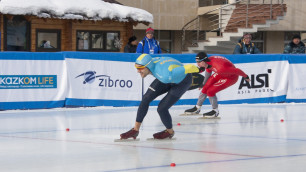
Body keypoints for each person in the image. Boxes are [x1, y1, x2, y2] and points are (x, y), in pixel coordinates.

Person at [119, 54, 199, 140]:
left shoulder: (164, 75)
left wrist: (199, 68)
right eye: (136, 68)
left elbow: (189, 67)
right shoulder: (153, 65)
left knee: (162, 108)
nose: (138, 71)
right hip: (167, 74)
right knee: (145, 99)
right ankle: (135, 130)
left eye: (140, 68)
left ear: (148, 66)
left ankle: (170, 132)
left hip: (182, 81)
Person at [185, 52, 251, 117]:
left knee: (210, 91)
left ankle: (215, 111)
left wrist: (246, 77)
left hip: (231, 78)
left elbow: (237, 71)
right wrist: (203, 84)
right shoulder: (208, 62)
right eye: (196, 62)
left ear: (204, 61)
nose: (197, 64)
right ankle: (197, 108)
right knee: (205, 87)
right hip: (220, 73)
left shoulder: (220, 68)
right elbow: (208, 73)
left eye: (199, 62)